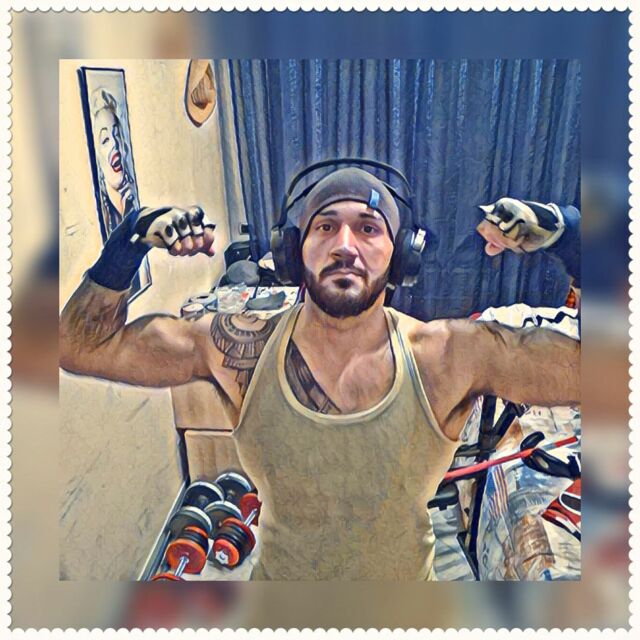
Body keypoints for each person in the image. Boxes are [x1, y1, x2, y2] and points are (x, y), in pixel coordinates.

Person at [59, 167, 580, 580]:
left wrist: (572, 239)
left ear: (402, 256)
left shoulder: (448, 356)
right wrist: (126, 245)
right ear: (293, 251)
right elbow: (79, 348)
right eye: (325, 226)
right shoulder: (237, 347)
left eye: (368, 228)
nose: (345, 245)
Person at [91, 88, 137, 236]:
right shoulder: (101, 219)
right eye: (105, 140)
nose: (115, 144)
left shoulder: (135, 201)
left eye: (117, 134)